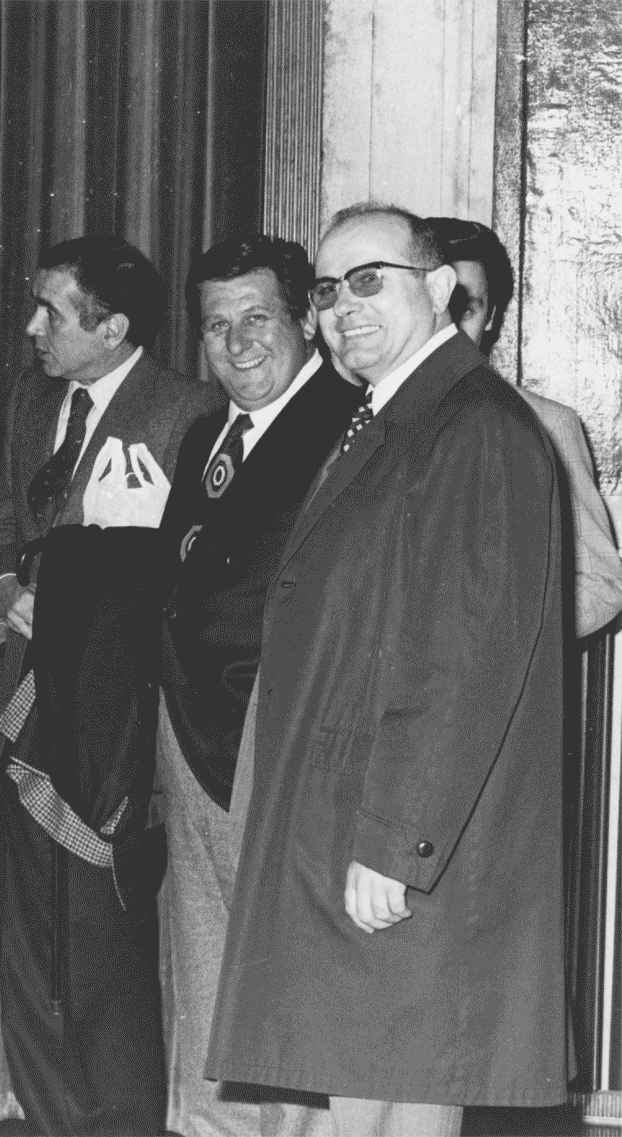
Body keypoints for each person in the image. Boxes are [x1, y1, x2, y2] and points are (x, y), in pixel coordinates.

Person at [207, 203, 567, 1134]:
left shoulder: (471, 426)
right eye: (328, 290)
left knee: (391, 1096)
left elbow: (464, 654)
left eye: (371, 280)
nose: (343, 306)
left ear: (441, 290)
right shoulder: (400, 414)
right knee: (377, 1088)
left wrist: (397, 839)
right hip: (361, 811)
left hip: (394, 830)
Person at [0, 236, 221, 1135]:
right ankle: (48, 1108)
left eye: (52, 311)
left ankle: (116, 1117)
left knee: (104, 929)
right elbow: (3, 519)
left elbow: (184, 576)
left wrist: (66, 603)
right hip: (23, 697)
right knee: (31, 925)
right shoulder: (35, 401)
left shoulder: (190, 411)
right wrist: (1, 591)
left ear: (112, 327)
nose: (31, 327)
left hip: (114, 714)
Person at [154, 235, 361, 1136]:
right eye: (216, 325)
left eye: (258, 319)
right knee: (202, 968)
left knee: (287, 978)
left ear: (304, 319)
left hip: (281, 739)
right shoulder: (206, 433)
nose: (238, 344)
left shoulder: (350, 425)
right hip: (191, 734)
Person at [426, 215, 622, 637]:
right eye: (436, 309)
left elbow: (601, 584)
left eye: (465, 310)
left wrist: (498, 642)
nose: (448, 331)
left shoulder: (547, 425)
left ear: (492, 318)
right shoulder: (354, 422)